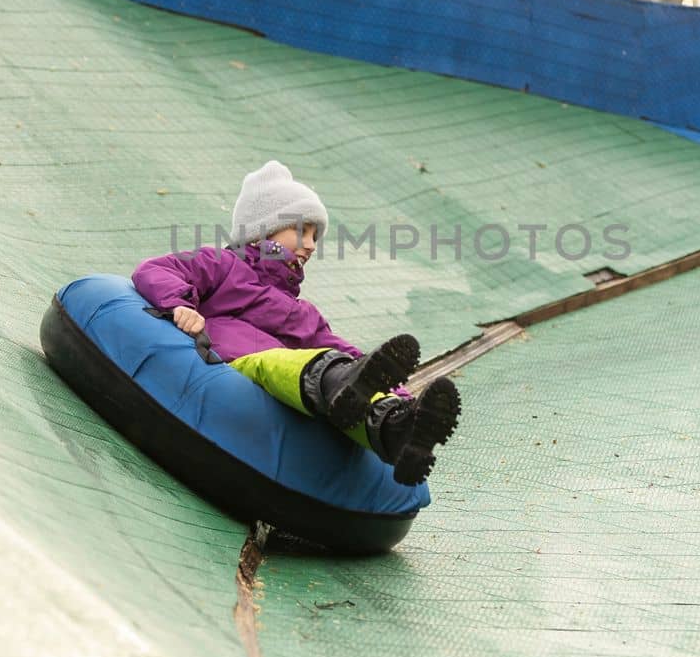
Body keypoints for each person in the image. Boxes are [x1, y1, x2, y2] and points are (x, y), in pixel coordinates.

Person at [131, 160, 459, 486]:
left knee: (344, 379)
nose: (312, 245)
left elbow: (347, 355)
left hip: (299, 385)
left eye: (315, 236)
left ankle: (396, 426)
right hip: (233, 363)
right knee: (287, 363)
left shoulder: (301, 312)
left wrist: (397, 393)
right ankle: (352, 393)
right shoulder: (223, 264)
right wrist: (180, 305)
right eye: (302, 231)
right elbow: (155, 270)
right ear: (262, 231)